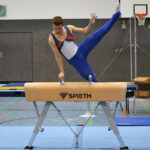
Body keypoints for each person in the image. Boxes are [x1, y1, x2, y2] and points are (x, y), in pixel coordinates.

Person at [49, 2, 121, 82]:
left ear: (62, 25)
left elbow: (84, 31)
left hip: (81, 49)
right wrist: (62, 71)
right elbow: (58, 56)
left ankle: (116, 15)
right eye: (55, 28)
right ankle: (102, 92)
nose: (57, 30)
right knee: (93, 80)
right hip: (76, 60)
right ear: (53, 26)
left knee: (98, 34)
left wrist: (91, 23)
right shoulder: (52, 39)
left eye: (59, 28)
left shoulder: (69, 28)